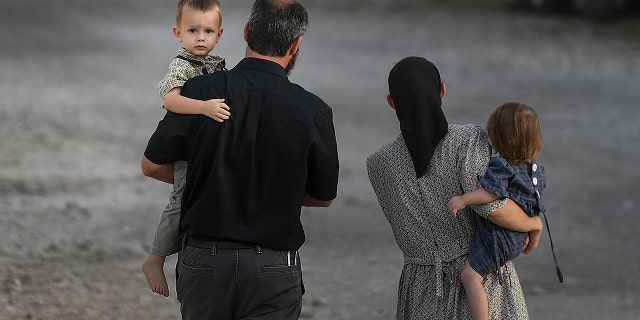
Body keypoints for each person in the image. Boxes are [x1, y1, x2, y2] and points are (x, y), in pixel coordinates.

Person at [141, 0, 339, 319]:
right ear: (296, 43)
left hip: (204, 262)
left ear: (246, 32)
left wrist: (211, 181)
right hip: (273, 270)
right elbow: (323, 197)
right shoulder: (313, 111)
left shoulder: (198, 91)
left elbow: (151, 165)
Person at [367, 56, 543, 319]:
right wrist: (534, 225)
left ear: (392, 102)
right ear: (442, 91)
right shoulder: (469, 141)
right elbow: (492, 207)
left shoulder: (379, 164)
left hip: (419, 289)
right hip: (481, 279)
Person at [141, 0, 230, 298]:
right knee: (181, 198)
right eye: (193, 30)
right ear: (178, 33)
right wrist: (204, 107)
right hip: (187, 149)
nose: (200, 37)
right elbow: (171, 100)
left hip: (208, 147)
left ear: (219, 34)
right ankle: (155, 258)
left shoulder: (219, 65)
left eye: (207, 31)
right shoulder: (181, 65)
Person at [448, 102, 563, 320]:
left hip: (502, 236)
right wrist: (533, 233)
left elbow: (490, 195)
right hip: (521, 236)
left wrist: (462, 199)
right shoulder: (536, 169)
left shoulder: (502, 165)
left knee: (470, 276)